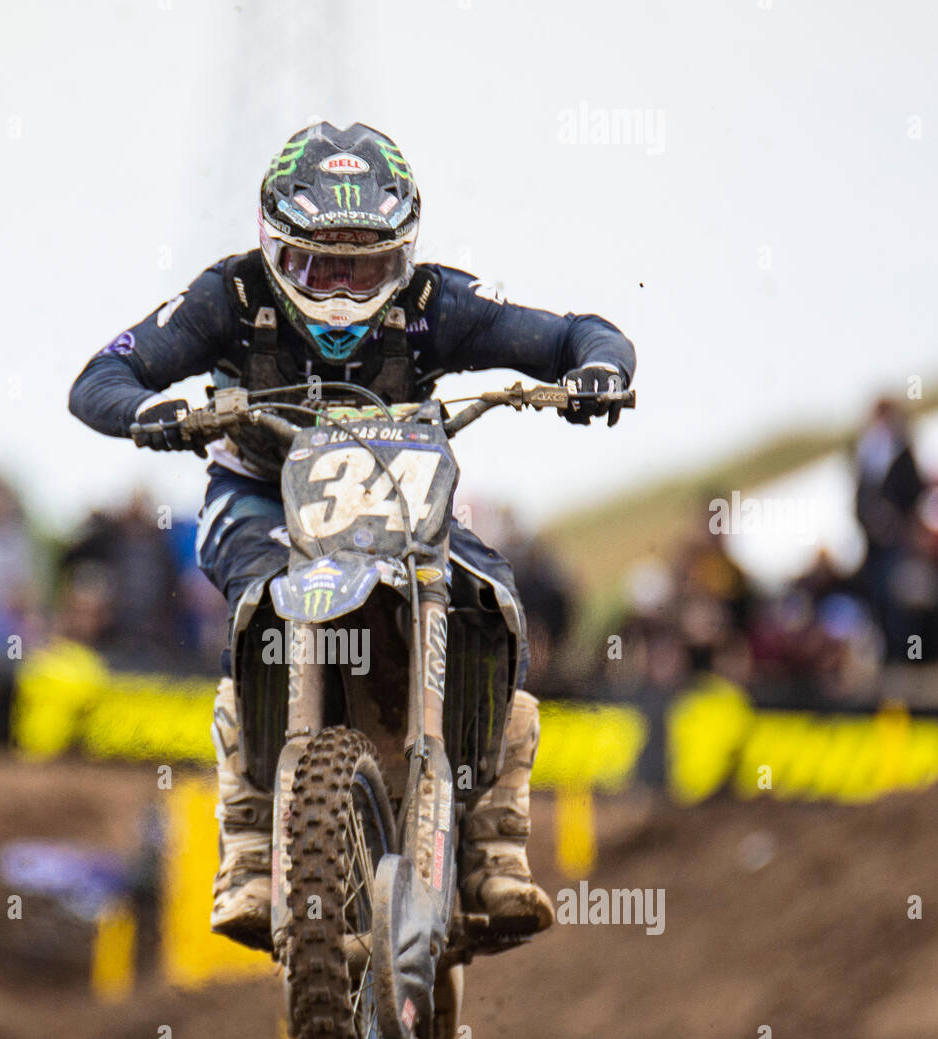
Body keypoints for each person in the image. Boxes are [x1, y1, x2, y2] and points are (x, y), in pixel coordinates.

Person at [69, 122, 635, 950]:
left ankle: (494, 842)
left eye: (361, 265)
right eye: (315, 263)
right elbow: (101, 376)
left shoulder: (440, 302)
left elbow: (575, 330)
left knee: (495, 597)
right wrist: (150, 412)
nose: (337, 288)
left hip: (400, 495)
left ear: (400, 254)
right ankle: (254, 851)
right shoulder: (225, 298)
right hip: (261, 493)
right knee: (261, 605)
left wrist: (597, 371)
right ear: (273, 247)